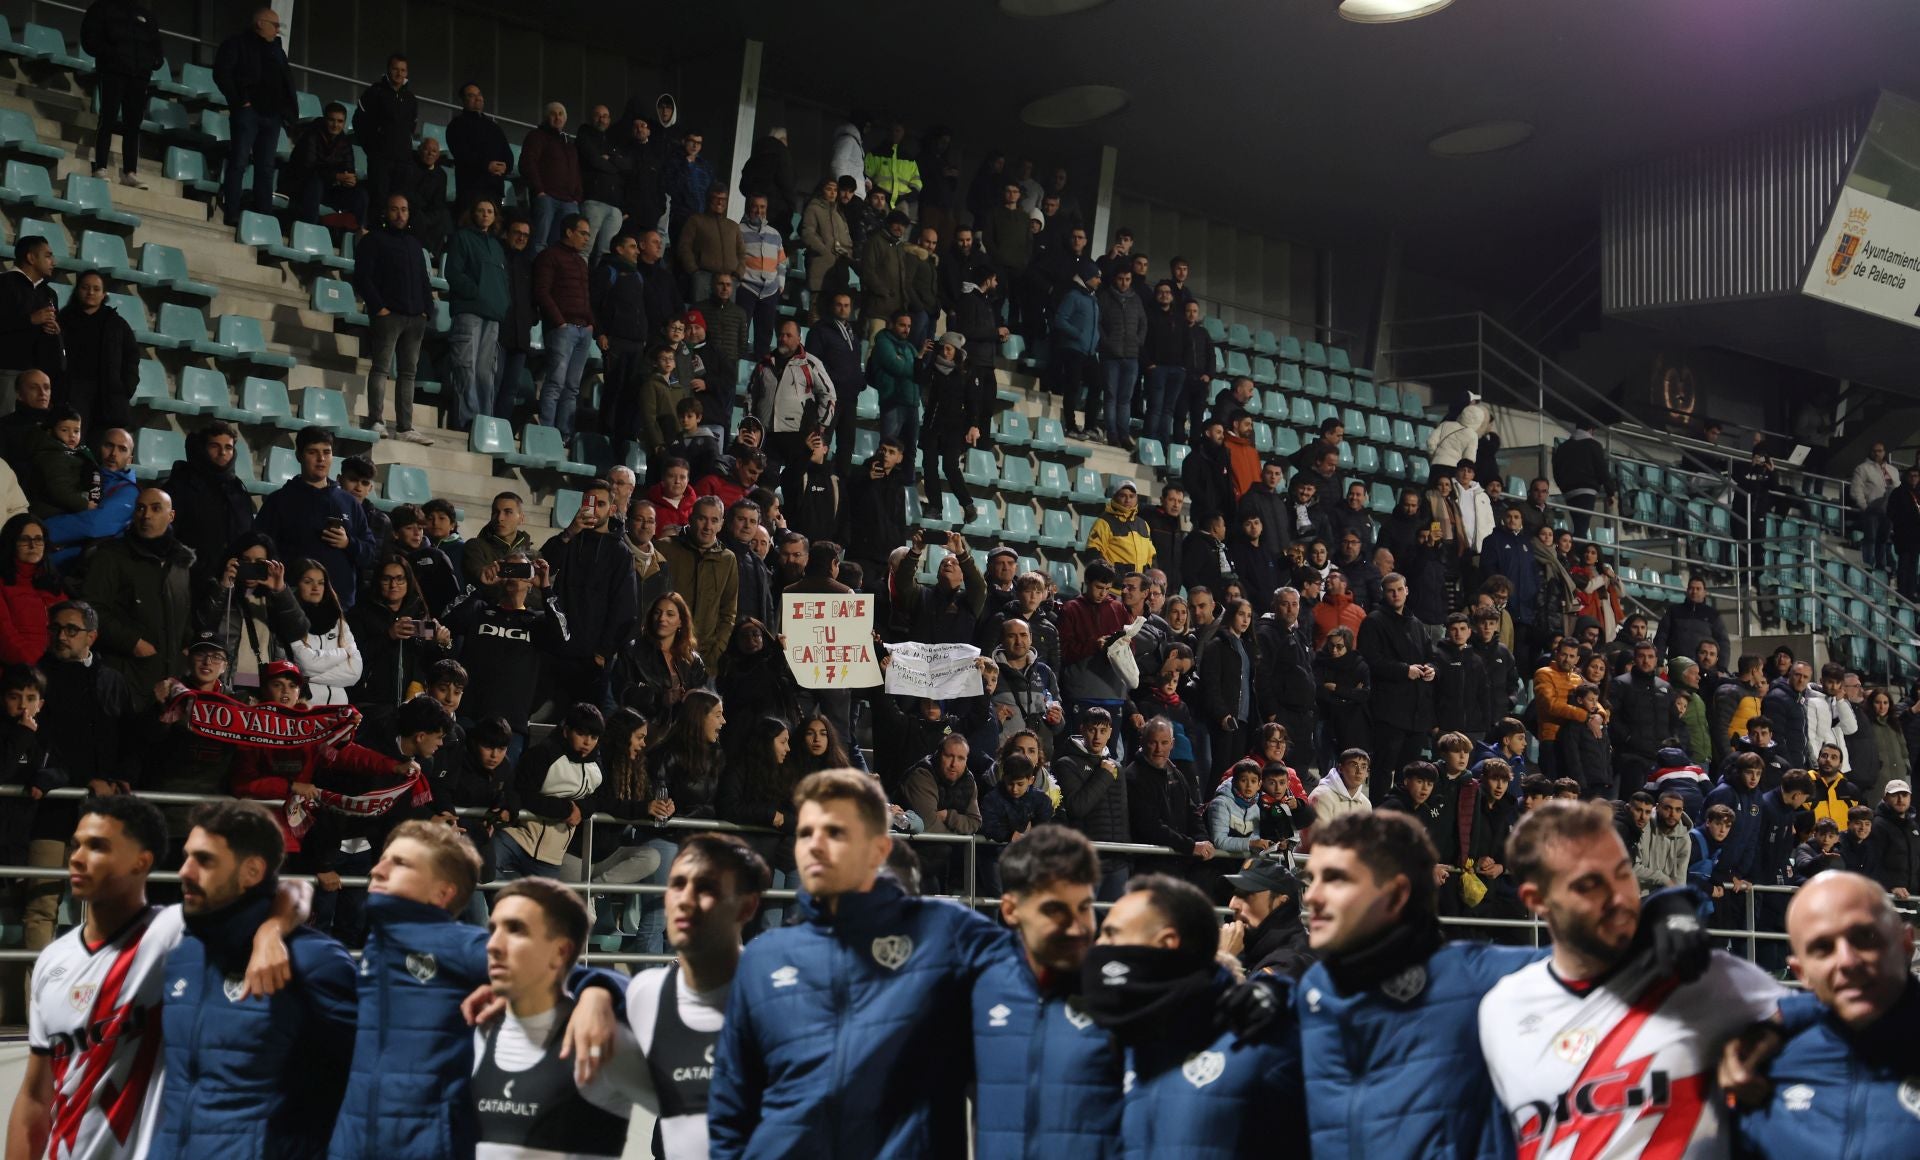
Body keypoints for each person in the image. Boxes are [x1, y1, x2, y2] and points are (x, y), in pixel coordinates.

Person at [709, 769, 1005, 1158]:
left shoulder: (947, 936)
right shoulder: (764, 958)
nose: (814, 845)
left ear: (878, 850)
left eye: (834, 832)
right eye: (804, 833)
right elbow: (732, 1107)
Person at [5, 795, 307, 1160]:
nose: (77, 858)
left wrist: (269, 931)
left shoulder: (173, 930)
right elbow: (36, 1096)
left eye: (98, 846)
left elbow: (294, 889)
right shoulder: (53, 959)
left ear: (141, 861)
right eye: (76, 845)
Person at [1481, 800, 1785, 1156]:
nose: (1618, 897)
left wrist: (1775, 1039)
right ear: (1536, 900)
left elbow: (1831, 1025)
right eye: (1589, 884)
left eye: (1623, 873)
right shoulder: (1502, 1008)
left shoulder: (1706, 975)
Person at [334, 820, 624, 1160]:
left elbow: (567, 973)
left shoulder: (456, 944)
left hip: (428, 1143)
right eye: (384, 858)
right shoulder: (376, 946)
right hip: (353, 1141)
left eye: (400, 863)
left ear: (442, 893)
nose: (379, 869)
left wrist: (596, 990)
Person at [146, 800, 359, 1158]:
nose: (185, 871)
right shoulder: (183, 955)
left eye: (205, 860)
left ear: (252, 871)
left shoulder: (314, 962)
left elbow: (370, 1088)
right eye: (186, 857)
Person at [1085, 873, 1305, 1158]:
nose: (1099, 945)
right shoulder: (1122, 1035)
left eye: (1112, 933)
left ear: (1167, 942)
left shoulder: (1256, 1033)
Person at [1730, 872, 1919, 1158]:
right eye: (1822, 948)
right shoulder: (1760, 1067)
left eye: (1865, 936)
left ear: (1906, 944)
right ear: (1801, 973)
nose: (1846, 961)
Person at [470, 878, 649, 1158]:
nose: (493, 944)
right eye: (493, 929)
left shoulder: (600, 1035)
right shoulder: (481, 1026)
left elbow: (702, 1113)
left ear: (561, 951)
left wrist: (599, 988)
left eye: (516, 929)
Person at [618, 835, 769, 1159]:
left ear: (747, 906)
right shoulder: (648, 991)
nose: (685, 899)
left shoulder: (769, 990)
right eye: (677, 884)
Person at [353, 193, 436, 444]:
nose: (400, 214)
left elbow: (424, 280)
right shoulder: (373, 240)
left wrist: (426, 310)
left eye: (404, 209)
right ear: (386, 212)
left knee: (408, 374)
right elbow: (362, 277)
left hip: (415, 318)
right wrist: (379, 307)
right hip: (388, 316)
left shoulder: (414, 244)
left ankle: (405, 427)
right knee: (381, 368)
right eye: (395, 209)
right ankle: (376, 420)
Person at [211, 6, 295, 225]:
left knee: (266, 168)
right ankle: (232, 213)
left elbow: (286, 82)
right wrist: (240, 101)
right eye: (274, 25)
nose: (277, 30)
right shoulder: (236, 43)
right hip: (249, 112)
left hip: (272, 116)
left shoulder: (277, 51)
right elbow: (221, 73)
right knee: (239, 161)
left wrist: (285, 110)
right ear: (260, 23)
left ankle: (263, 218)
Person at [444, 198, 509, 432]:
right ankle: (467, 422)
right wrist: (476, 292)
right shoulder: (462, 238)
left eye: (490, 211)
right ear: (473, 213)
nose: (485, 215)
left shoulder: (497, 246)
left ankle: (483, 423)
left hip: (492, 315)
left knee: (485, 372)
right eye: (480, 210)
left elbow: (503, 282)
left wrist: (501, 303)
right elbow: (453, 272)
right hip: (469, 311)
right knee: (466, 367)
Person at [534, 214, 598, 439]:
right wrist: (559, 321)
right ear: (569, 232)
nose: (587, 239)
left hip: (582, 330)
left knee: (572, 388)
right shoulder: (550, 256)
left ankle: (564, 434)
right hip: (563, 329)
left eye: (589, 235)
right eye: (583, 233)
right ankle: (546, 433)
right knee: (555, 383)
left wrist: (590, 323)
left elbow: (586, 296)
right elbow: (542, 291)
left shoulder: (581, 262)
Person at [353, 53, 417, 226]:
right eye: (395, 69)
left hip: (403, 161)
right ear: (388, 70)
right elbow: (359, 122)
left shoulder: (411, 99)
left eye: (403, 70)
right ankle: (376, 235)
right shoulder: (374, 92)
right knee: (380, 201)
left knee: (399, 203)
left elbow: (412, 126)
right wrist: (373, 148)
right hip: (380, 159)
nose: (399, 73)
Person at [446, 83, 513, 211]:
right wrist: (487, 165)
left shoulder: (493, 126)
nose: (478, 98)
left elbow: (506, 151)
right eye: (471, 95)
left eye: (479, 94)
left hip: (494, 188)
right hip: (471, 188)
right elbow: (462, 154)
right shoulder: (457, 125)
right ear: (463, 100)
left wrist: (506, 166)